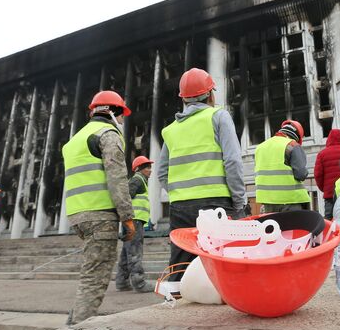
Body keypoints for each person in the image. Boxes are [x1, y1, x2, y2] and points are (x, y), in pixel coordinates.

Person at [158, 67, 247, 281]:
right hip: (215, 203)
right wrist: (239, 202)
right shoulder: (218, 116)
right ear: (210, 94)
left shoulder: (171, 129)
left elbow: (162, 171)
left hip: (180, 206)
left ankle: (176, 303)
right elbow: (233, 161)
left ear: (184, 99)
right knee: (221, 261)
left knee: (180, 265)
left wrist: (178, 192)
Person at [62, 90, 136, 325]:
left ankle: (72, 324)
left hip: (78, 215)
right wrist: (127, 217)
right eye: (122, 115)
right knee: (95, 278)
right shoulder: (108, 134)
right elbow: (117, 178)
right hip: (100, 216)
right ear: (112, 112)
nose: (123, 120)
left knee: (89, 275)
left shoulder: (75, 140)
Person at [116, 156, 155, 293]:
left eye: (150, 167)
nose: (150, 170)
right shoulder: (137, 180)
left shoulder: (139, 180)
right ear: (138, 169)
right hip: (134, 221)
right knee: (135, 251)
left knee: (127, 251)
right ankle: (139, 283)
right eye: (147, 167)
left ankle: (122, 282)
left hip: (131, 221)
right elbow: (126, 196)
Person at [255, 120, 310, 212]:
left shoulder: (260, 147)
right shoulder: (292, 145)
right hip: (290, 201)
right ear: (296, 136)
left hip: (268, 203)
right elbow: (301, 174)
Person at [314, 129, 340, 220]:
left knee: (329, 220)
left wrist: (324, 189)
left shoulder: (322, 154)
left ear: (329, 139)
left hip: (329, 195)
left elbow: (318, 175)